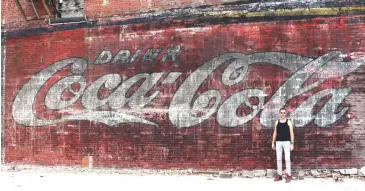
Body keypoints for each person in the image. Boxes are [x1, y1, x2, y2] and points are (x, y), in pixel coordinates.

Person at [271, 108, 294, 183]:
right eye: (281, 113)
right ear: (279, 113)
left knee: (287, 159)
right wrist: (273, 142)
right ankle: (279, 175)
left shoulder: (289, 122)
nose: (283, 114)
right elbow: (275, 132)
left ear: (286, 114)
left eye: (284, 113)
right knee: (279, 159)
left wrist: (292, 143)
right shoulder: (277, 122)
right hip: (278, 143)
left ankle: (289, 175)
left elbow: (291, 133)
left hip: (287, 142)